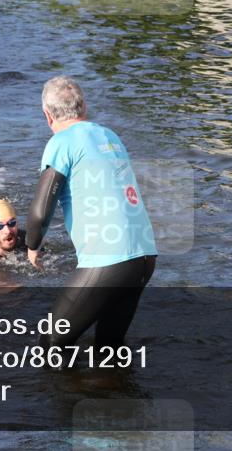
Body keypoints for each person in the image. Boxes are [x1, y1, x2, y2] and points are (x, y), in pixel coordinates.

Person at [25, 76, 158, 351]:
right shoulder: (109, 135)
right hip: (144, 256)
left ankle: (62, 395)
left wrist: (32, 245)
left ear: (47, 115)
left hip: (110, 260)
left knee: (51, 342)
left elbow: (40, 212)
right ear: (83, 107)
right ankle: (115, 391)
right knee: (109, 346)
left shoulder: (61, 142)